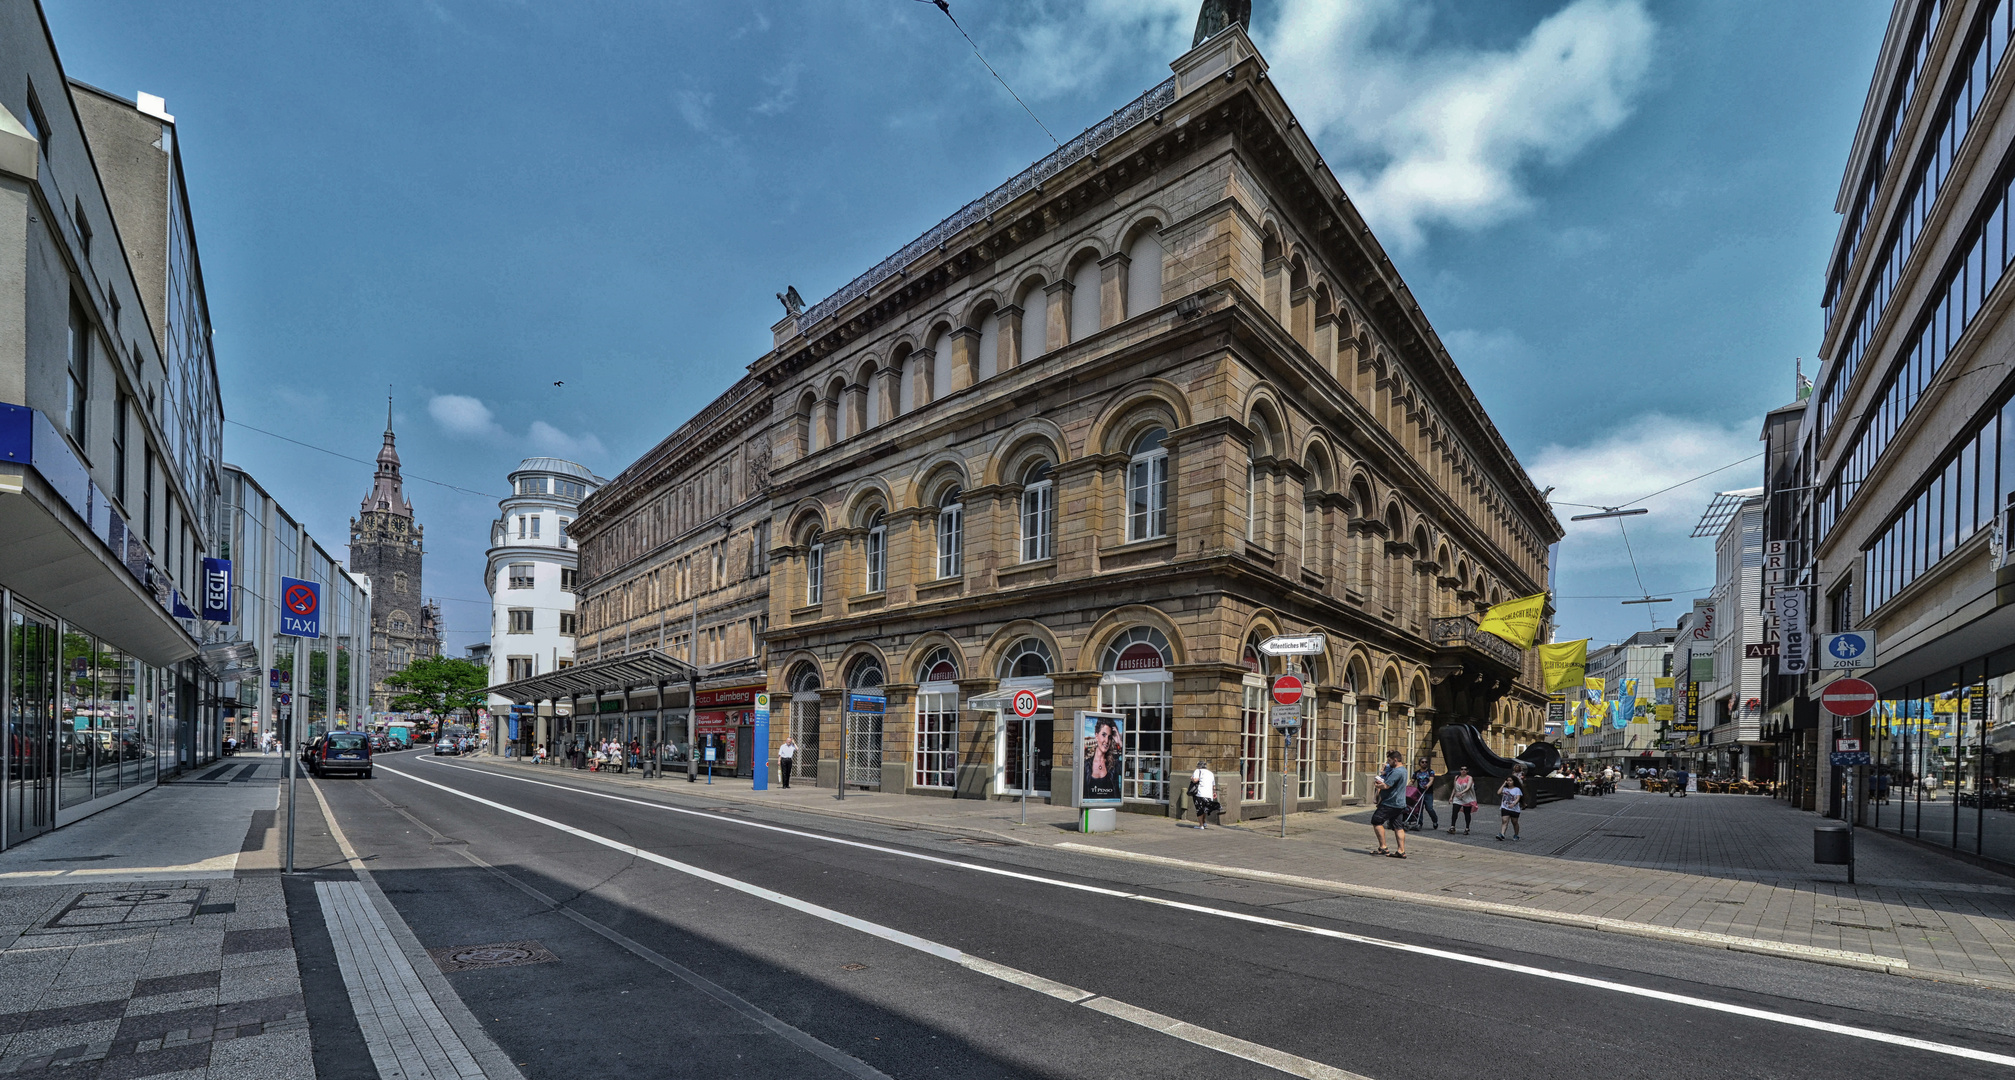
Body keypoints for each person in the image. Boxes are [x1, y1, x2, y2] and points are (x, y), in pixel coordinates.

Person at [1370, 750, 1409, 857]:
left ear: (1395, 760)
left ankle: (1383, 847)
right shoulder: (1403, 770)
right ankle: (1401, 851)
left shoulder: (1397, 772)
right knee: (1398, 826)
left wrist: (1377, 785)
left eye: (1389, 760)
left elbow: (1386, 786)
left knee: (1376, 820)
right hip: (1400, 803)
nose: (1388, 762)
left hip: (1390, 802)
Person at [1187, 758, 1219, 829]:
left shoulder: (1198, 771)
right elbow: (1214, 785)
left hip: (1200, 793)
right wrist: (1214, 793)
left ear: (1198, 766)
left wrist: (1191, 778)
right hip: (1208, 794)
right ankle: (1204, 823)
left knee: (1199, 809)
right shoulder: (1211, 773)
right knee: (1204, 809)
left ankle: (1201, 825)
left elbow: (1195, 780)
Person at [1446, 766, 1478, 835]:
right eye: (1462, 769)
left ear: (1467, 771)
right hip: (1457, 797)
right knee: (1454, 812)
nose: (1463, 771)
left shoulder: (1469, 778)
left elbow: (1468, 787)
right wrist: (1451, 797)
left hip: (1467, 797)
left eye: (1465, 769)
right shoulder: (1456, 777)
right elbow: (1454, 788)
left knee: (1467, 813)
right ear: (1459, 770)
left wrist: (1461, 792)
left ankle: (1467, 828)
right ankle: (1452, 827)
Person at [1412, 758, 1439, 831]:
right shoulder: (1416, 773)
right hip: (1419, 793)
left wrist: (1427, 785)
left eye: (1426, 762)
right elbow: (1412, 781)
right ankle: (1419, 823)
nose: (1424, 763)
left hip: (1428, 793)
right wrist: (1408, 787)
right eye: (1422, 762)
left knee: (1429, 808)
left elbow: (1431, 780)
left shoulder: (1430, 772)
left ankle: (1435, 820)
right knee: (1419, 809)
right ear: (1419, 763)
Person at [1497, 773, 1524, 840]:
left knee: (1514, 822)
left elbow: (1518, 798)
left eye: (1510, 780)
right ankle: (1502, 834)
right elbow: (1498, 792)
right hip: (1505, 807)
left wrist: (1514, 803)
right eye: (1507, 780)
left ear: (1514, 781)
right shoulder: (1505, 788)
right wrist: (1503, 784)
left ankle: (1516, 834)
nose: (1509, 782)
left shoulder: (1517, 789)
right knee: (1504, 820)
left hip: (1514, 809)